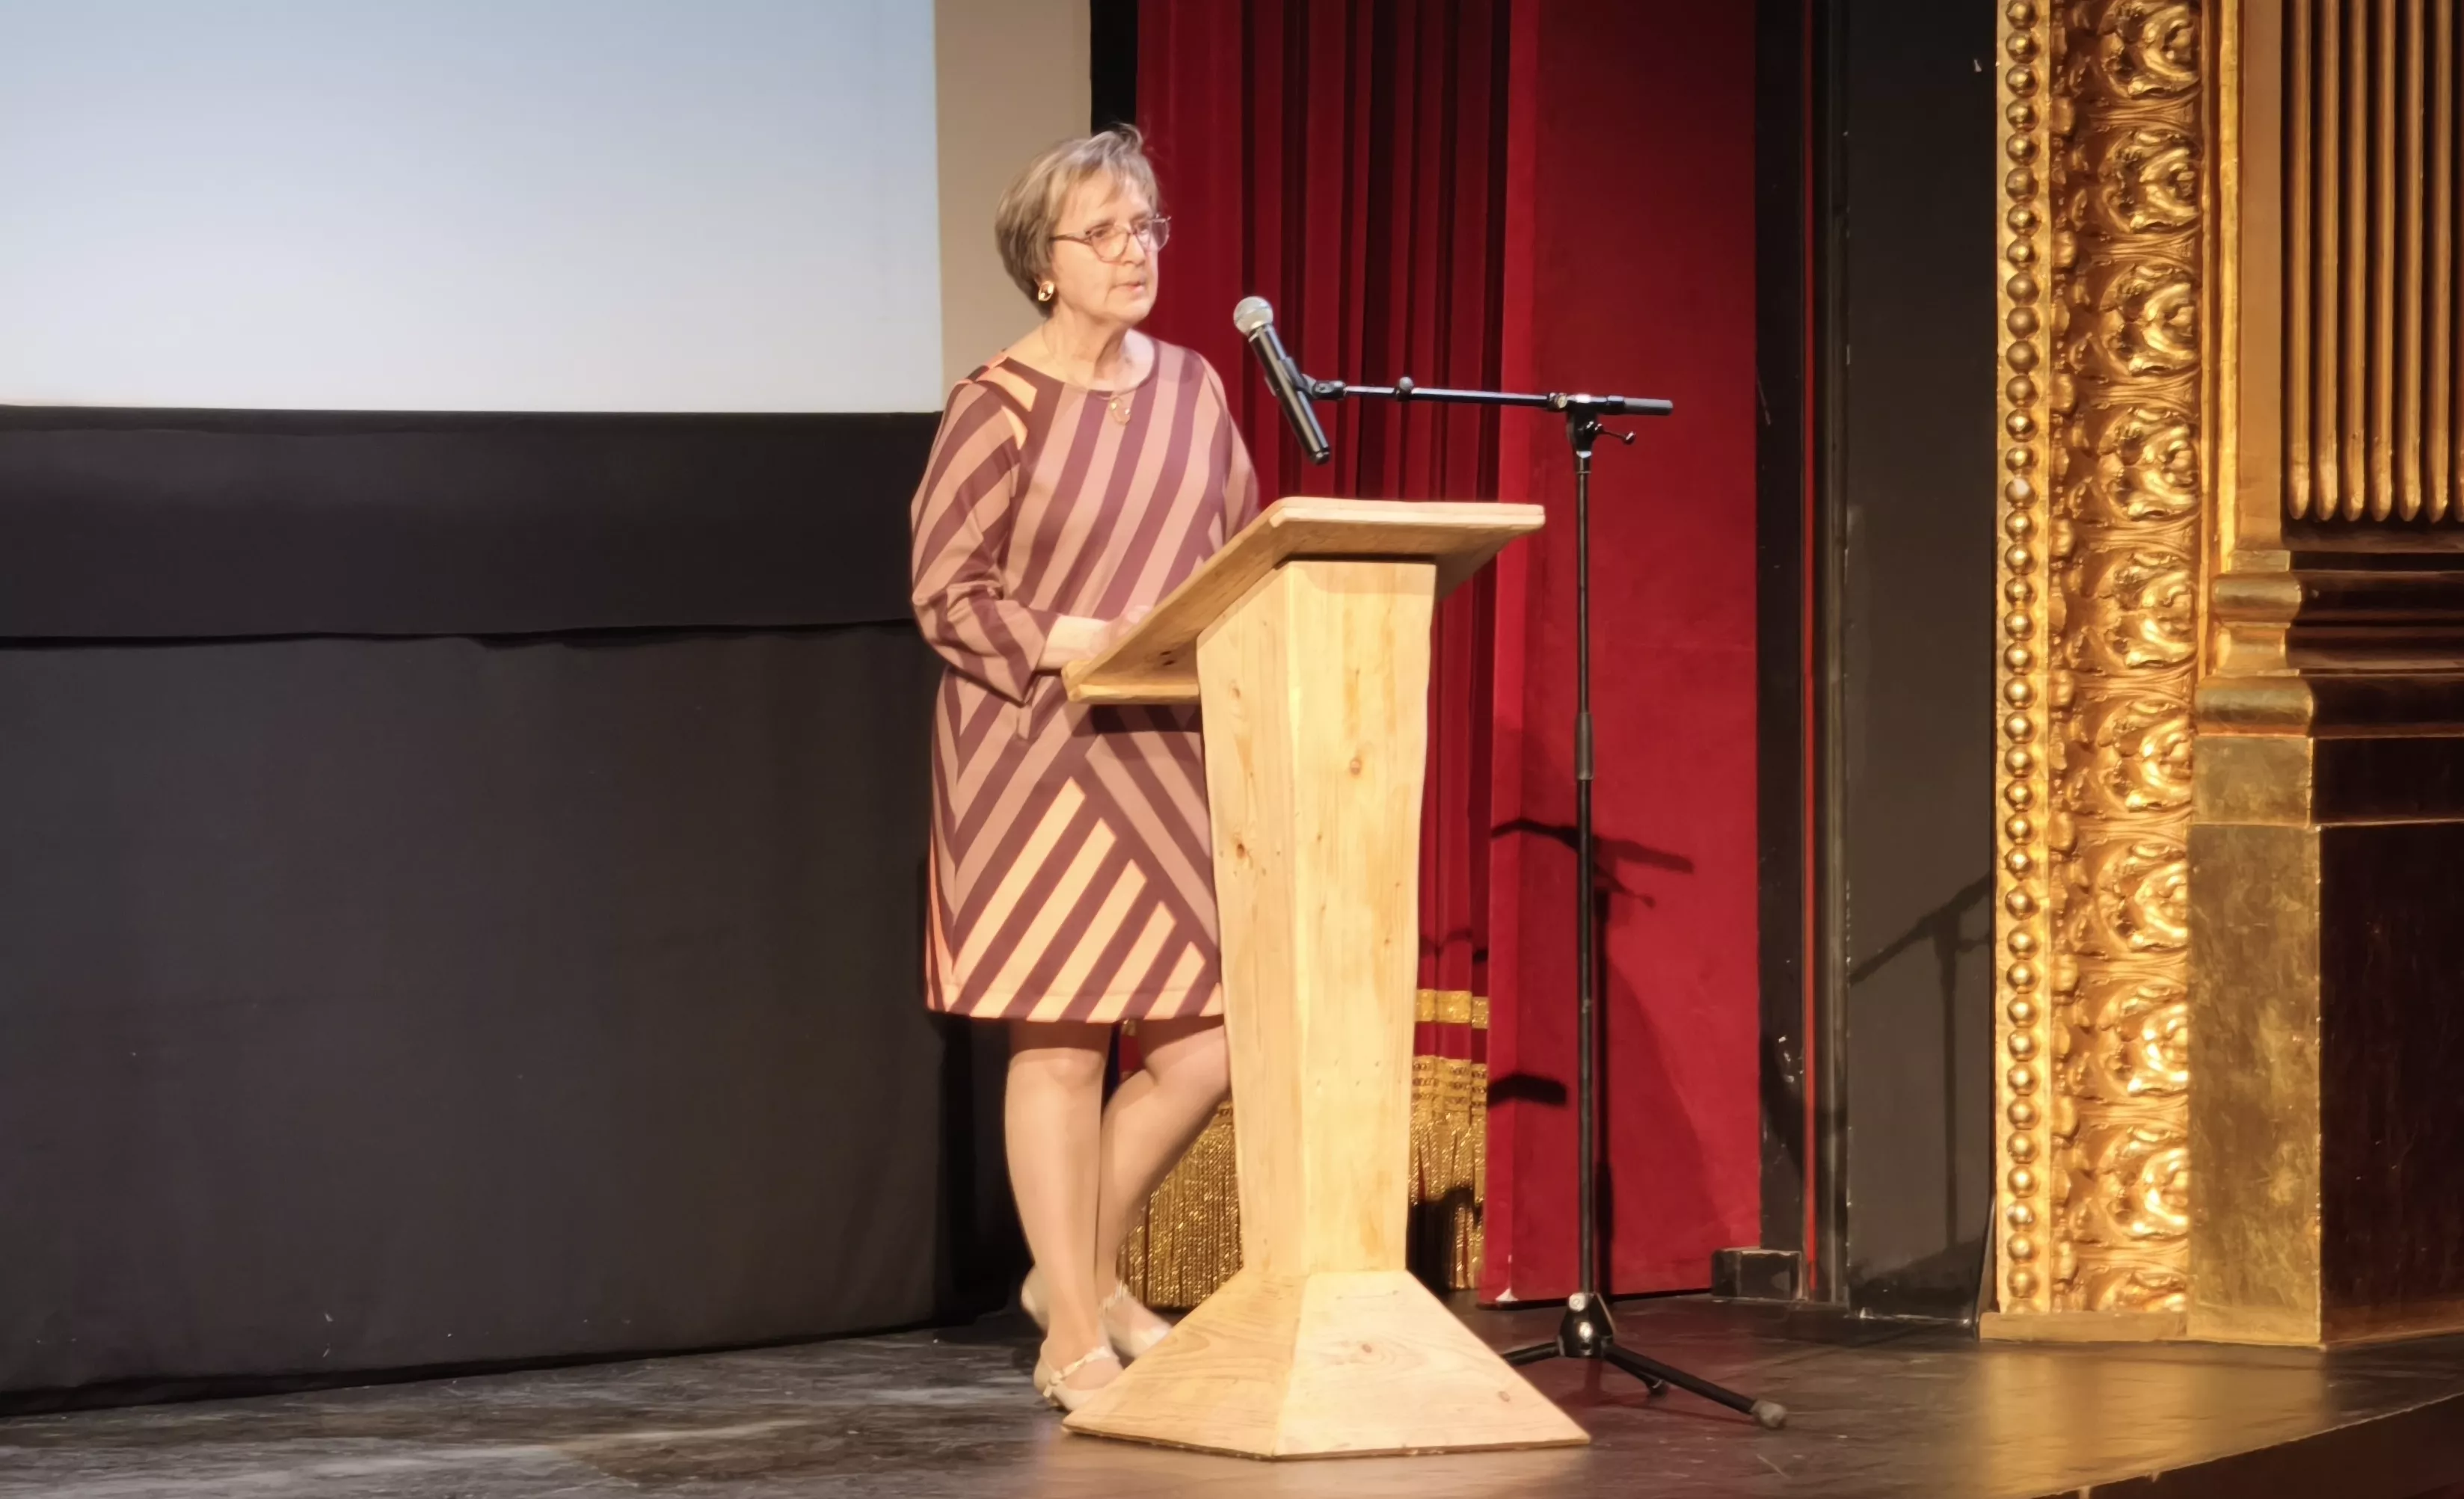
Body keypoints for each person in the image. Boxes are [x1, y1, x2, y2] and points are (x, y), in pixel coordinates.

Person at [907, 126, 1256, 1412]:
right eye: (1103, 233)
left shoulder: (1197, 389)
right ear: (1042, 263)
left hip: (1169, 755)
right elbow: (947, 597)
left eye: (1147, 227)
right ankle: (1073, 1338)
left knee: (1204, 1049)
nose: (1133, 252)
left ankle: (1078, 1272)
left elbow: (1235, 551)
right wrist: (1077, 641)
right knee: (1057, 1045)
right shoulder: (994, 404)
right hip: (1032, 755)